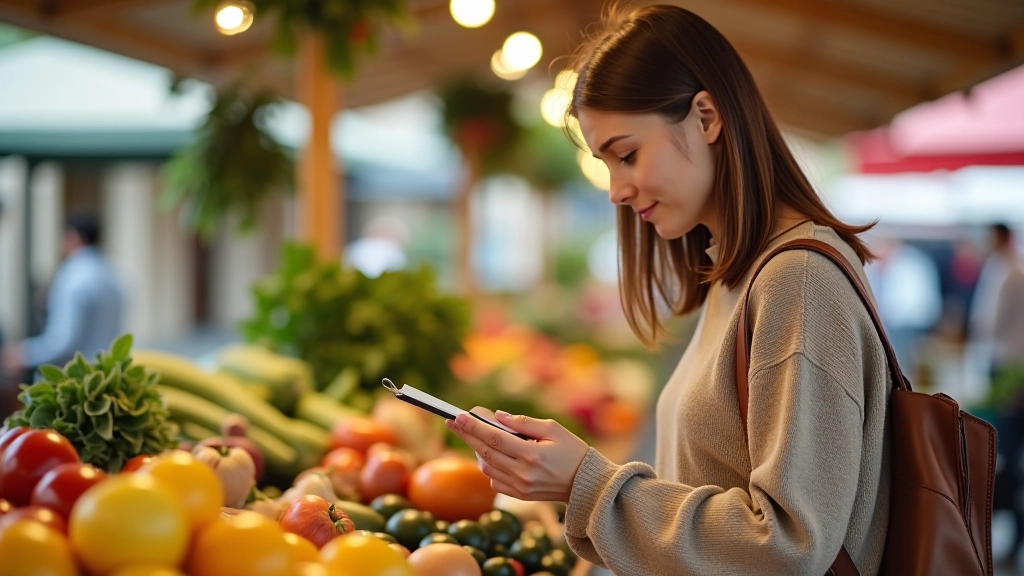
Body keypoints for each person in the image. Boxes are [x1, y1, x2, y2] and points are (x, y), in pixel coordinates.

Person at [446, 5, 890, 575]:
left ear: (706, 117)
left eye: (627, 155)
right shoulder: (738, 273)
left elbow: (786, 546)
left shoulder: (796, 280)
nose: (616, 191)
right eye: (607, 164)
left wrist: (590, 484)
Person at [2, 213, 125, 375]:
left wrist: (23, 354)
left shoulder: (72, 275)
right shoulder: (113, 274)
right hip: (107, 378)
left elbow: (62, 341)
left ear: (73, 236)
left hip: (75, 383)